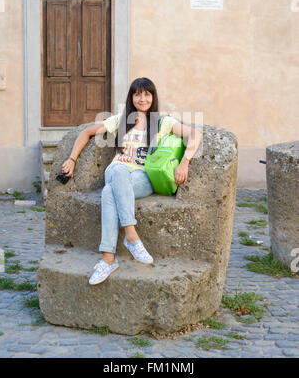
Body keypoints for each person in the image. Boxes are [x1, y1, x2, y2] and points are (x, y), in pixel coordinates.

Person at [60, 77, 201, 285]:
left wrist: (185, 162)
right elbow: (87, 132)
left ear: (153, 97)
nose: (142, 99)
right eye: (137, 94)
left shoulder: (163, 122)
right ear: (131, 97)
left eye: (147, 94)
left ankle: (108, 259)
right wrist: (71, 159)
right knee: (118, 169)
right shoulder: (121, 119)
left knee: (109, 193)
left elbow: (195, 134)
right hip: (117, 171)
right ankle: (131, 235)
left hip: (143, 178)